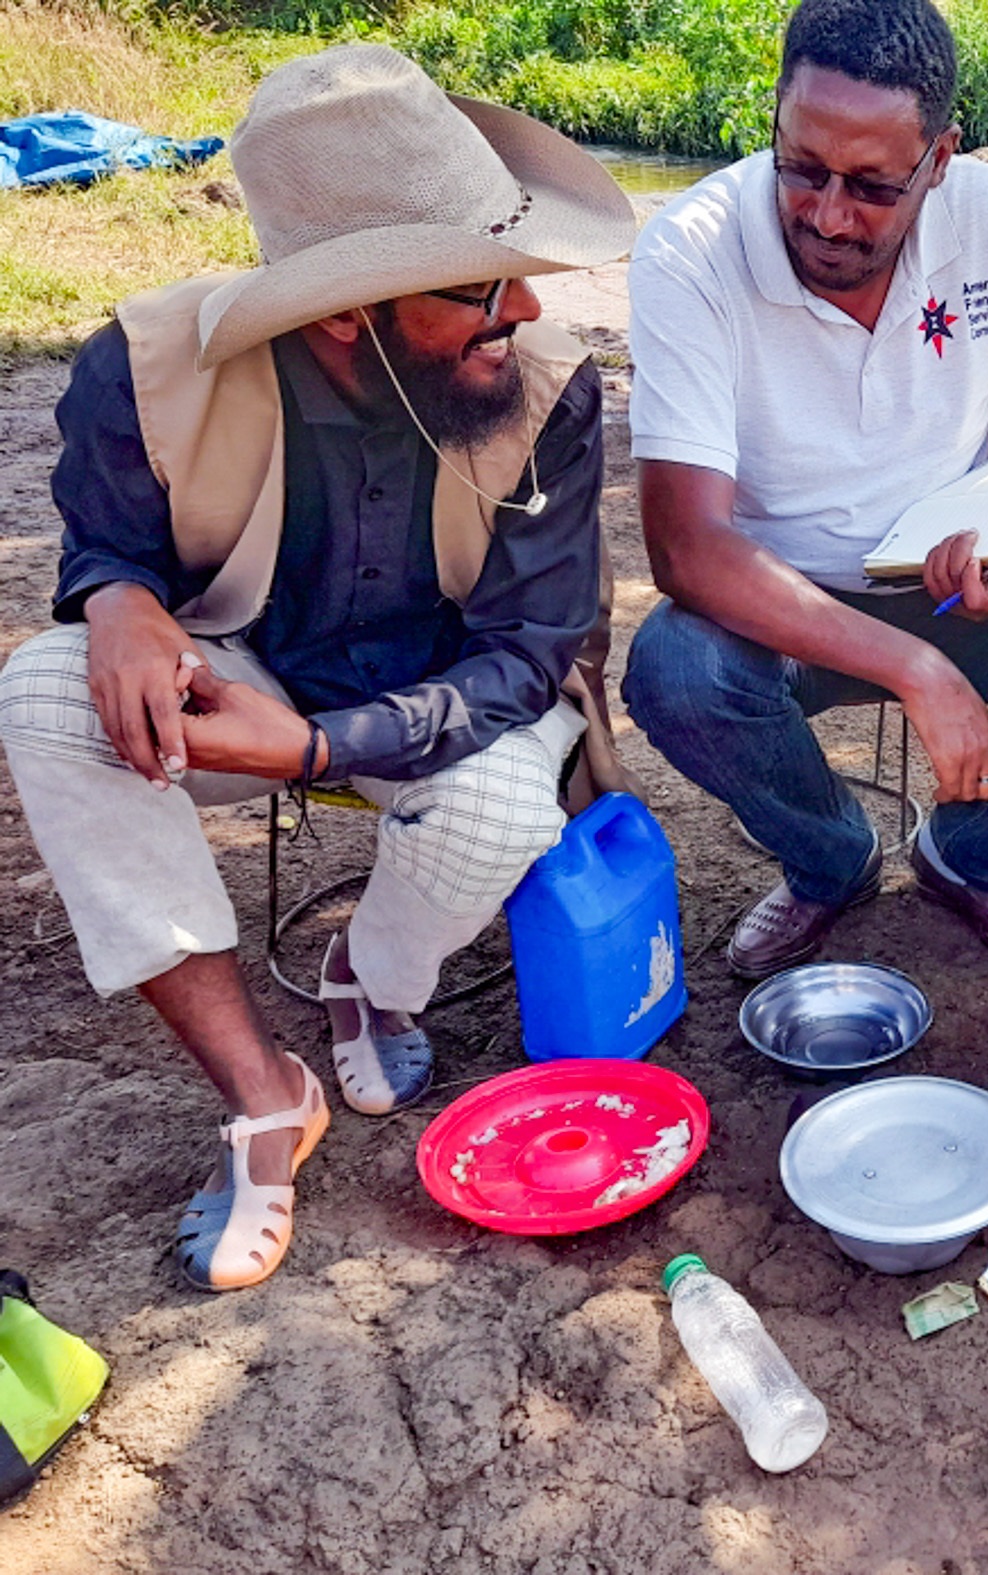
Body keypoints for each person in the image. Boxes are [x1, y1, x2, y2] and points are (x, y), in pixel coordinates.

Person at [0, 44, 637, 1290]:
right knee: (41, 690)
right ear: (346, 313)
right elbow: (109, 542)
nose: (523, 310)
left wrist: (315, 751)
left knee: (504, 807)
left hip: (441, 702)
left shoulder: (544, 388)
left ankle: (373, 980)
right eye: (477, 286)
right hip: (245, 676)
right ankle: (264, 1094)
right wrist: (116, 598)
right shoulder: (146, 368)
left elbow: (530, 651)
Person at [622, 0, 988, 979]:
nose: (826, 213)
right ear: (773, 119)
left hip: (945, 589)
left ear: (939, 159)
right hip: (777, 614)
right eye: (799, 166)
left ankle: (969, 859)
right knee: (674, 669)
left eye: (872, 186)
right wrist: (917, 671)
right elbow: (686, 550)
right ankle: (829, 861)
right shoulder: (690, 250)